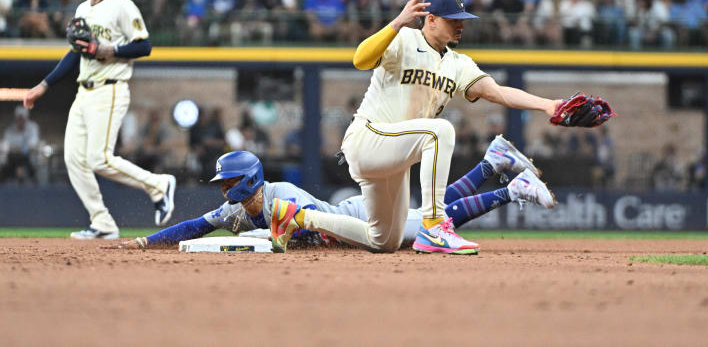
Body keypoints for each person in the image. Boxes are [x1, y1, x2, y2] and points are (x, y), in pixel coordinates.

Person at [270, 0, 563, 255]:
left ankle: (296, 216)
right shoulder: (404, 39)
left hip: (394, 155)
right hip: (367, 139)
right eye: (452, 19)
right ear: (431, 19)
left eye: (462, 19)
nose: (460, 24)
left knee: (383, 241)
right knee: (440, 132)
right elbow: (360, 59)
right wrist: (397, 22)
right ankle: (435, 227)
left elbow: (498, 92)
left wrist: (548, 105)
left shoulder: (458, 64)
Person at [117, 140, 554, 249]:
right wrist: (147, 241)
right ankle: (492, 162)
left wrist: (272, 237)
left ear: (248, 182)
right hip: (351, 218)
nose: (225, 192)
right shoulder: (236, 209)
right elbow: (197, 226)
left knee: (423, 228)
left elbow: (308, 228)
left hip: (359, 218)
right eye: (224, 186)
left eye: (229, 184)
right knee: (427, 212)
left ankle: (511, 189)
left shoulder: (280, 194)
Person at [22, 0, 176, 240]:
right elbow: (75, 54)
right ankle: (102, 222)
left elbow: (145, 46)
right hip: (84, 92)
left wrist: (111, 50)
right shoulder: (82, 10)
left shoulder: (122, 6)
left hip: (111, 87)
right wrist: (44, 85)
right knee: (73, 159)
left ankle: (158, 184)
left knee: (99, 159)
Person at [1, 106, 40, 183]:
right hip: (12, 160)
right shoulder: (10, 130)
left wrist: (20, 149)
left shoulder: (33, 127)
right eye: (19, 118)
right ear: (16, 119)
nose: (21, 121)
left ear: (26, 118)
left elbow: (32, 144)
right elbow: (5, 146)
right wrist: (15, 149)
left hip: (29, 159)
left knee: (27, 161)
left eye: (23, 118)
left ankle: (33, 182)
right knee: (9, 163)